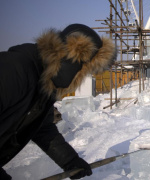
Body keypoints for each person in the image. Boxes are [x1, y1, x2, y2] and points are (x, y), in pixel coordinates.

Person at [0, 24, 117, 179]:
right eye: (84, 73)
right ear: (71, 63)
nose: (80, 80)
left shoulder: (43, 84)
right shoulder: (15, 69)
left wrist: (70, 161)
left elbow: (43, 128)